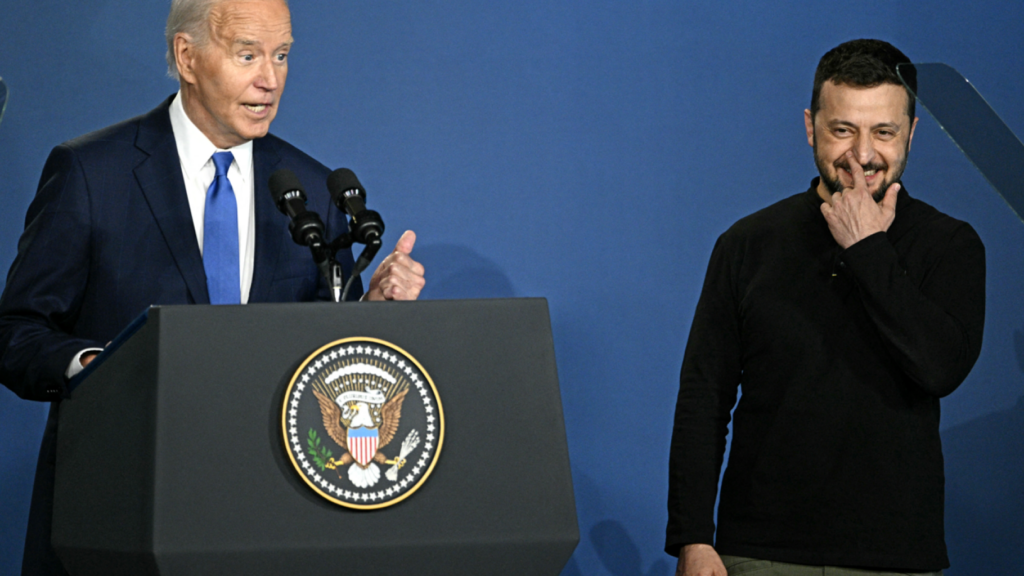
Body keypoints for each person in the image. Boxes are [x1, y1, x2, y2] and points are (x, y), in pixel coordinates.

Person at [0, 0, 426, 573]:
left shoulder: (312, 188)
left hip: (267, 515)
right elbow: (16, 331)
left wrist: (370, 313)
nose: (269, 79)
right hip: (120, 508)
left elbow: (322, 359)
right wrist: (99, 367)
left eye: (280, 56)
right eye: (247, 54)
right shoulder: (91, 173)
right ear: (187, 57)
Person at [665, 39, 985, 576]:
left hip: (895, 557)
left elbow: (940, 367)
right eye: (843, 130)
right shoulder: (748, 243)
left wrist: (867, 251)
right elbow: (704, 394)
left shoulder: (950, 245)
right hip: (760, 553)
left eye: (883, 131)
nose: (862, 154)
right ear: (811, 127)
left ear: (911, 132)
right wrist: (692, 537)